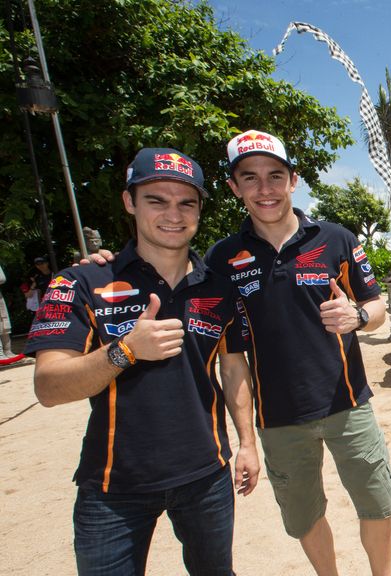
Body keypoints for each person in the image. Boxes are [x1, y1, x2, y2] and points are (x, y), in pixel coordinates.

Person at [27, 148, 259, 575]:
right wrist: (125, 350)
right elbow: (49, 387)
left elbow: (233, 367)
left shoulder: (220, 287)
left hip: (207, 476)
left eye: (186, 202)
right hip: (114, 487)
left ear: (200, 210)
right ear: (130, 202)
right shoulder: (81, 282)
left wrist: (246, 443)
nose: (173, 214)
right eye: (156, 200)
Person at [206, 130, 391, 576]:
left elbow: (377, 306)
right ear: (234, 187)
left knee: (377, 505)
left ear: (294, 179)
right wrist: (246, 442)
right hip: (279, 421)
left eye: (275, 175)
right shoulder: (222, 259)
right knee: (305, 516)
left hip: (348, 405)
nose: (264, 188)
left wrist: (358, 316)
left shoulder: (335, 239)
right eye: (249, 178)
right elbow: (231, 361)